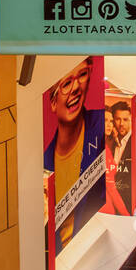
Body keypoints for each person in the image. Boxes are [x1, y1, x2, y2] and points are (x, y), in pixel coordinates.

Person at [43, 57, 105, 251]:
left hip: (97, 244)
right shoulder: (43, 165)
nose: (76, 87)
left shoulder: (104, 125)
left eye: (82, 75)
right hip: (62, 263)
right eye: (66, 84)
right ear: (52, 103)